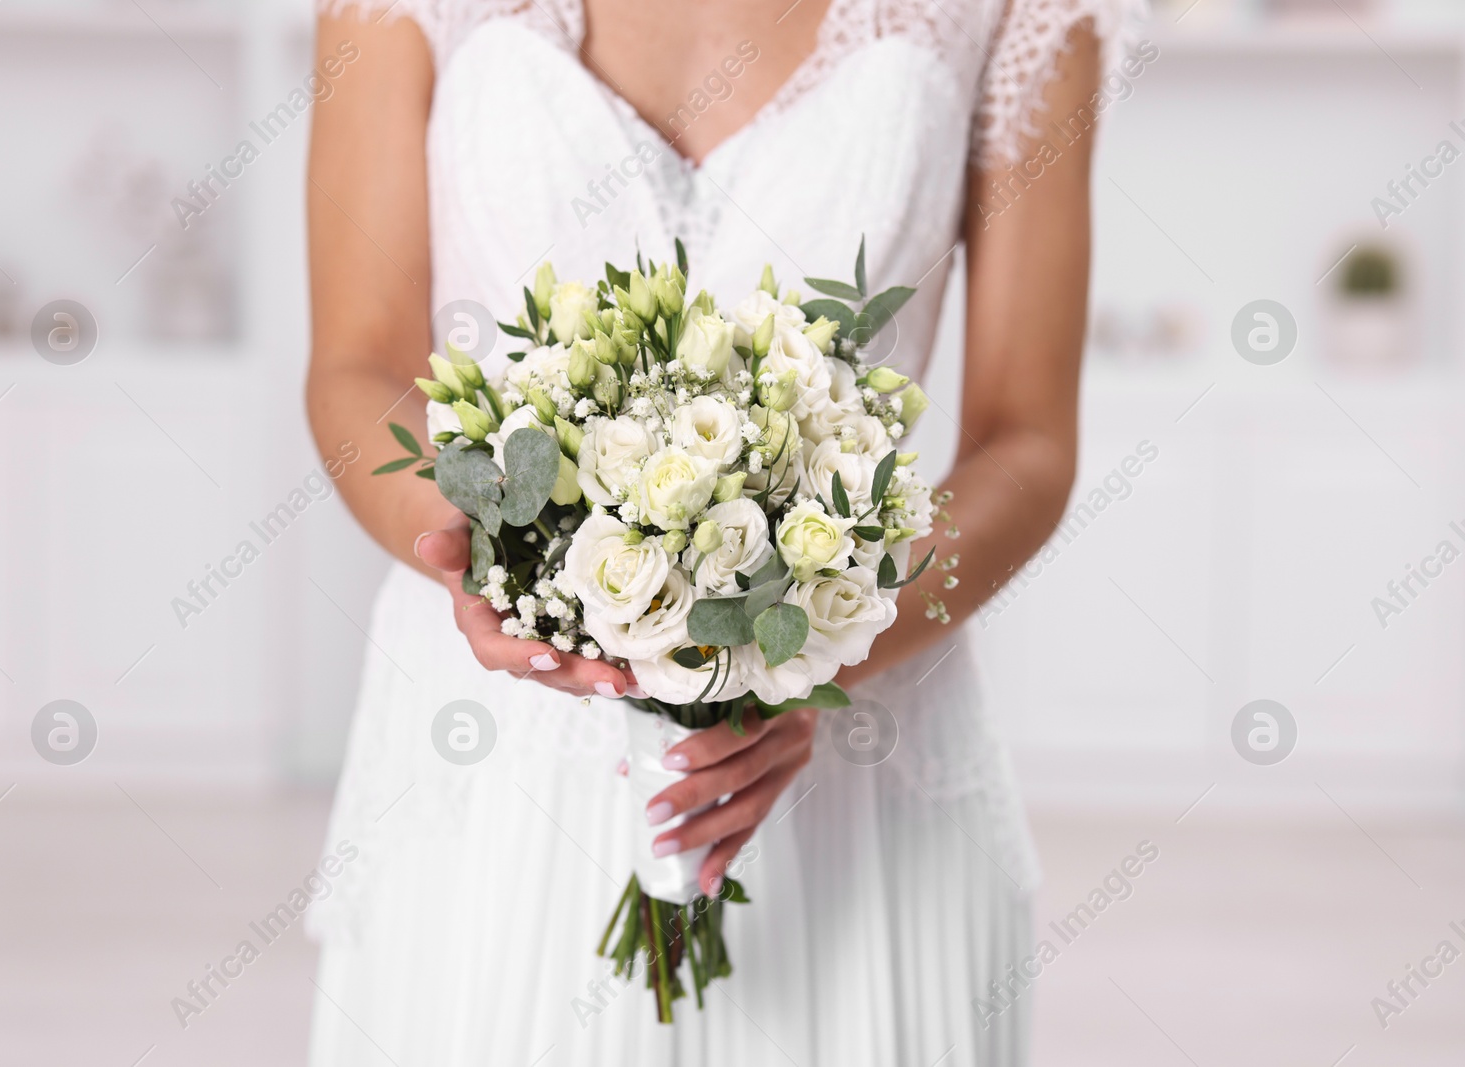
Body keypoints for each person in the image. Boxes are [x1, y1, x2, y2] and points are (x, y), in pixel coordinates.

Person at [304, 1, 1127, 1062]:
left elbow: (1026, 440)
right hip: (492, 752)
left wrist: (813, 652)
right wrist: (486, 555)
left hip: (860, 765)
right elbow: (356, 366)